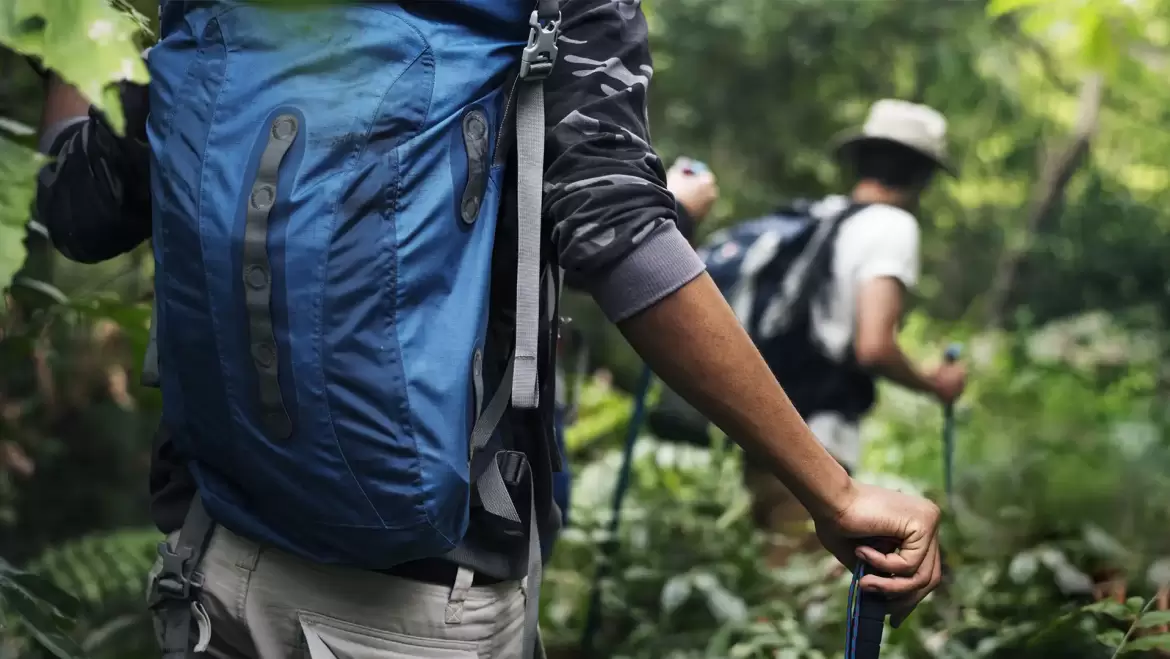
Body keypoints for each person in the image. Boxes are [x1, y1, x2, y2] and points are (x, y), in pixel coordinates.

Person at [34, 6, 942, 658]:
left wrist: (63, 28)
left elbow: (77, 210)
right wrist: (837, 491)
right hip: (416, 603)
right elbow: (616, 233)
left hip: (209, 548)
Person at [729, 99, 969, 564]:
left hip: (762, 415)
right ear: (923, 175)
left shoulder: (821, 217)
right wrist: (933, 384)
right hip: (818, 437)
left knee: (770, 565)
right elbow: (874, 347)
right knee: (795, 582)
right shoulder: (893, 227)